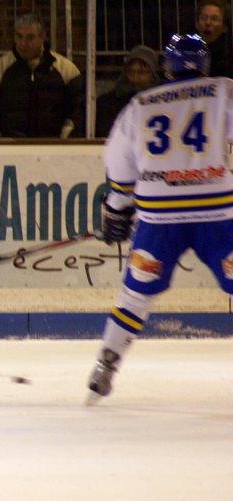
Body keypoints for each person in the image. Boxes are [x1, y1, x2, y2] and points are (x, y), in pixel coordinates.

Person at [87, 34, 231, 403]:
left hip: (159, 215)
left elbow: (118, 160)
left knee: (135, 295)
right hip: (216, 212)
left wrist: (117, 205)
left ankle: (106, 364)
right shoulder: (223, 91)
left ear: (166, 67)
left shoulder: (141, 104)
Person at [0, 13, 83, 138]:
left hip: (53, 146)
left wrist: (65, 141)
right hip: (8, 147)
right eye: (19, 36)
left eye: (30, 37)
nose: (23, 43)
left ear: (42, 37)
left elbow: (79, 112)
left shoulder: (66, 70)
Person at [95, 45, 160, 138]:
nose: (135, 77)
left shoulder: (161, 100)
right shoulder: (107, 102)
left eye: (142, 72)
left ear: (153, 75)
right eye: (131, 72)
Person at [196, 0, 232, 78]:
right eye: (203, 18)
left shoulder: (229, 57)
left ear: (224, 27)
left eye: (214, 19)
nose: (208, 23)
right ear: (197, 24)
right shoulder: (188, 52)